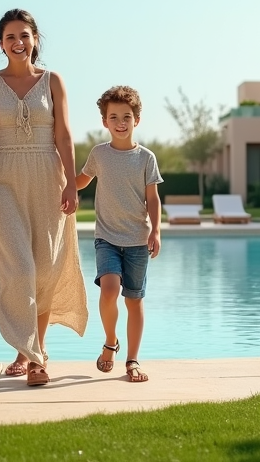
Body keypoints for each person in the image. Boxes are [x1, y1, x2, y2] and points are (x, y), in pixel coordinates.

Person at [0, 8, 88, 386]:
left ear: (35, 39)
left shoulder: (53, 81)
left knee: (44, 269)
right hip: (5, 179)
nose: (18, 42)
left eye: (24, 35)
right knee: (20, 269)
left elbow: (64, 135)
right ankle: (31, 353)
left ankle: (34, 353)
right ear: (1, 44)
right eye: (10, 36)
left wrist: (71, 184)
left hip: (48, 177)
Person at [75, 85, 163, 383]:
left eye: (127, 116)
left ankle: (132, 360)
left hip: (138, 240)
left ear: (136, 119)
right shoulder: (99, 154)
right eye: (114, 117)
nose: (121, 122)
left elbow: (153, 198)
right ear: (105, 122)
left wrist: (156, 231)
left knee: (134, 301)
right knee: (109, 290)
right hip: (107, 238)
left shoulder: (146, 158)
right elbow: (81, 182)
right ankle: (111, 340)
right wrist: (56, 183)